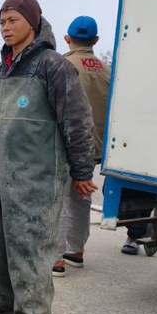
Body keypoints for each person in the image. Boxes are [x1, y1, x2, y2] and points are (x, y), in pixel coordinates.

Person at [0, 0, 97, 314]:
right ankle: (3, 300)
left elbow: (77, 120)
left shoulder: (53, 66)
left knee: (30, 250)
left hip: (37, 179)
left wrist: (81, 170)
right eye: (1, 21)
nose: (6, 27)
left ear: (32, 21)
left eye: (13, 19)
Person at [52, 16, 110, 276]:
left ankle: (56, 258)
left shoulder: (63, 65)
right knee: (81, 195)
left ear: (67, 38)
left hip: (67, 143)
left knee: (60, 198)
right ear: (95, 40)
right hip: (94, 146)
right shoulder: (107, 71)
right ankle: (75, 251)